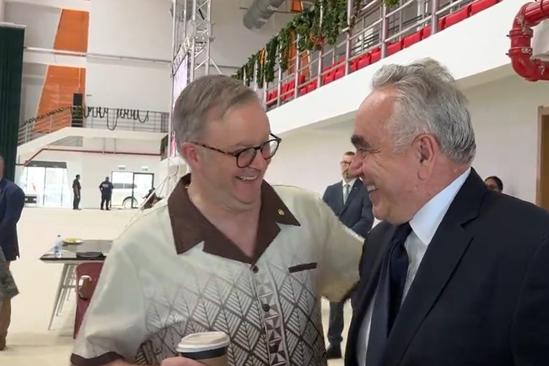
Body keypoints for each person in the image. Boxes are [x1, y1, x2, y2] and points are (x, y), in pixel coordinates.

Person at [345, 59, 549, 366]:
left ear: (423, 153)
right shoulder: (378, 244)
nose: (355, 167)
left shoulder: (541, 255)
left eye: (366, 149)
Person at [71, 75, 363, 366]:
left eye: (265, 145)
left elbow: (374, 276)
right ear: (193, 154)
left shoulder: (306, 212)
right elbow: (94, 355)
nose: (260, 162)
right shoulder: (138, 250)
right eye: (242, 152)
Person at [322, 151, 373, 359]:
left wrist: (344, 236)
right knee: (336, 301)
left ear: (356, 165)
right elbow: (322, 216)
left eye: (350, 163)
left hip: (358, 252)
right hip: (336, 255)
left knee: (358, 302)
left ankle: (357, 343)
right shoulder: (331, 190)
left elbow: (367, 219)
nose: (345, 166)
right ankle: (334, 344)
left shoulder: (365, 190)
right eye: (343, 162)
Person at [0, 154, 25, 350]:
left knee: (2, 293)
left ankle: (1, 336)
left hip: (3, 248)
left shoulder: (13, 191)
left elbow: (9, 222)